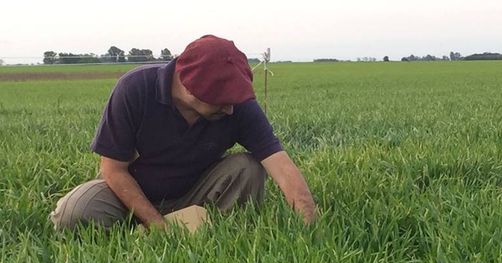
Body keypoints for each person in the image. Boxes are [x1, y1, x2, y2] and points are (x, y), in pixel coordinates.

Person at [50, 35, 316, 230]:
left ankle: (211, 229)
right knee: (73, 213)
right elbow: (113, 170)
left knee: (249, 167)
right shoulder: (134, 89)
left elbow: (280, 165)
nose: (230, 109)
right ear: (190, 89)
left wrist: (310, 224)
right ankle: (141, 230)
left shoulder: (238, 105)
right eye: (222, 101)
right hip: (130, 193)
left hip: (196, 192)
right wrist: (158, 226)